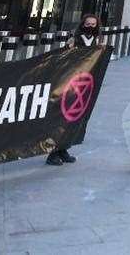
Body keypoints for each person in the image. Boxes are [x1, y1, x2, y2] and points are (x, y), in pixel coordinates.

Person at [47, 13, 101, 166]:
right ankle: (53, 152)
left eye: (93, 24)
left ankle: (64, 148)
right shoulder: (75, 39)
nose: (91, 27)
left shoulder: (96, 41)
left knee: (74, 118)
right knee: (62, 116)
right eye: (88, 24)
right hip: (70, 82)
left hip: (83, 84)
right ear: (83, 24)